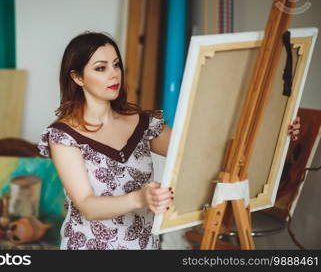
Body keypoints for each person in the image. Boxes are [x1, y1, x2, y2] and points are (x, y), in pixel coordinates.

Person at [38, 31, 300, 250]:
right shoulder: (63, 136)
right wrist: (140, 198)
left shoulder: (142, 123)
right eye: (101, 68)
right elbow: (88, 206)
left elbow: (205, 150)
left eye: (116, 64)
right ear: (77, 77)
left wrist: (275, 133)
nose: (114, 74)